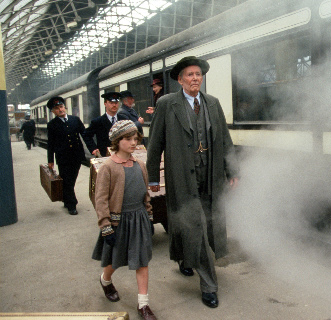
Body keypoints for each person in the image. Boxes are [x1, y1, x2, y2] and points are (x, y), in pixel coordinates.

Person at [146, 56, 239, 308]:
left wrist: (233, 170)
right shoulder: (167, 104)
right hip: (181, 177)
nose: (195, 78)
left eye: (198, 74)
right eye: (189, 74)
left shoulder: (212, 103)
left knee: (207, 222)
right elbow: (154, 145)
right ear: (180, 79)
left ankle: (183, 258)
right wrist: (153, 177)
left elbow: (225, 140)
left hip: (210, 175)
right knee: (194, 224)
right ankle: (209, 284)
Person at [92, 120, 157, 320]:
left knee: (142, 261)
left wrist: (149, 216)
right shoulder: (108, 167)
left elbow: (144, 194)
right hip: (117, 222)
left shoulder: (140, 165)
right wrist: (105, 226)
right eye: (128, 139)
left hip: (138, 218)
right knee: (115, 260)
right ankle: (105, 280)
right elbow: (100, 199)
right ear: (117, 141)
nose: (133, 142)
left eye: (135, 138)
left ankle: (143, 305)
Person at [47, 96, 86, 215]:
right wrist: (50, 160)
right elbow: (51, 144)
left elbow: (85, 135)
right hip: (63, 158)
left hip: (77, 156)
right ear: (53, 111)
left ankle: (66, 198)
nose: (60, 109)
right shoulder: (52, 125)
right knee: (67, 181)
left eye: (61, 106)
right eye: (57, 108)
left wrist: (94, 149)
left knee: (71, 180)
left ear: (65, 107)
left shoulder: (75, 120)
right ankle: (72, 205)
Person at [83, 92, 126, 157]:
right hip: (105, 156)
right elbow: (86, 135)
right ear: (105, 104)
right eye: (111, 103)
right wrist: (93, 148)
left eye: (116, 103)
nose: (114, 105)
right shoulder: (97, 122)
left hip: (122, 155)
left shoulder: (124, 120)